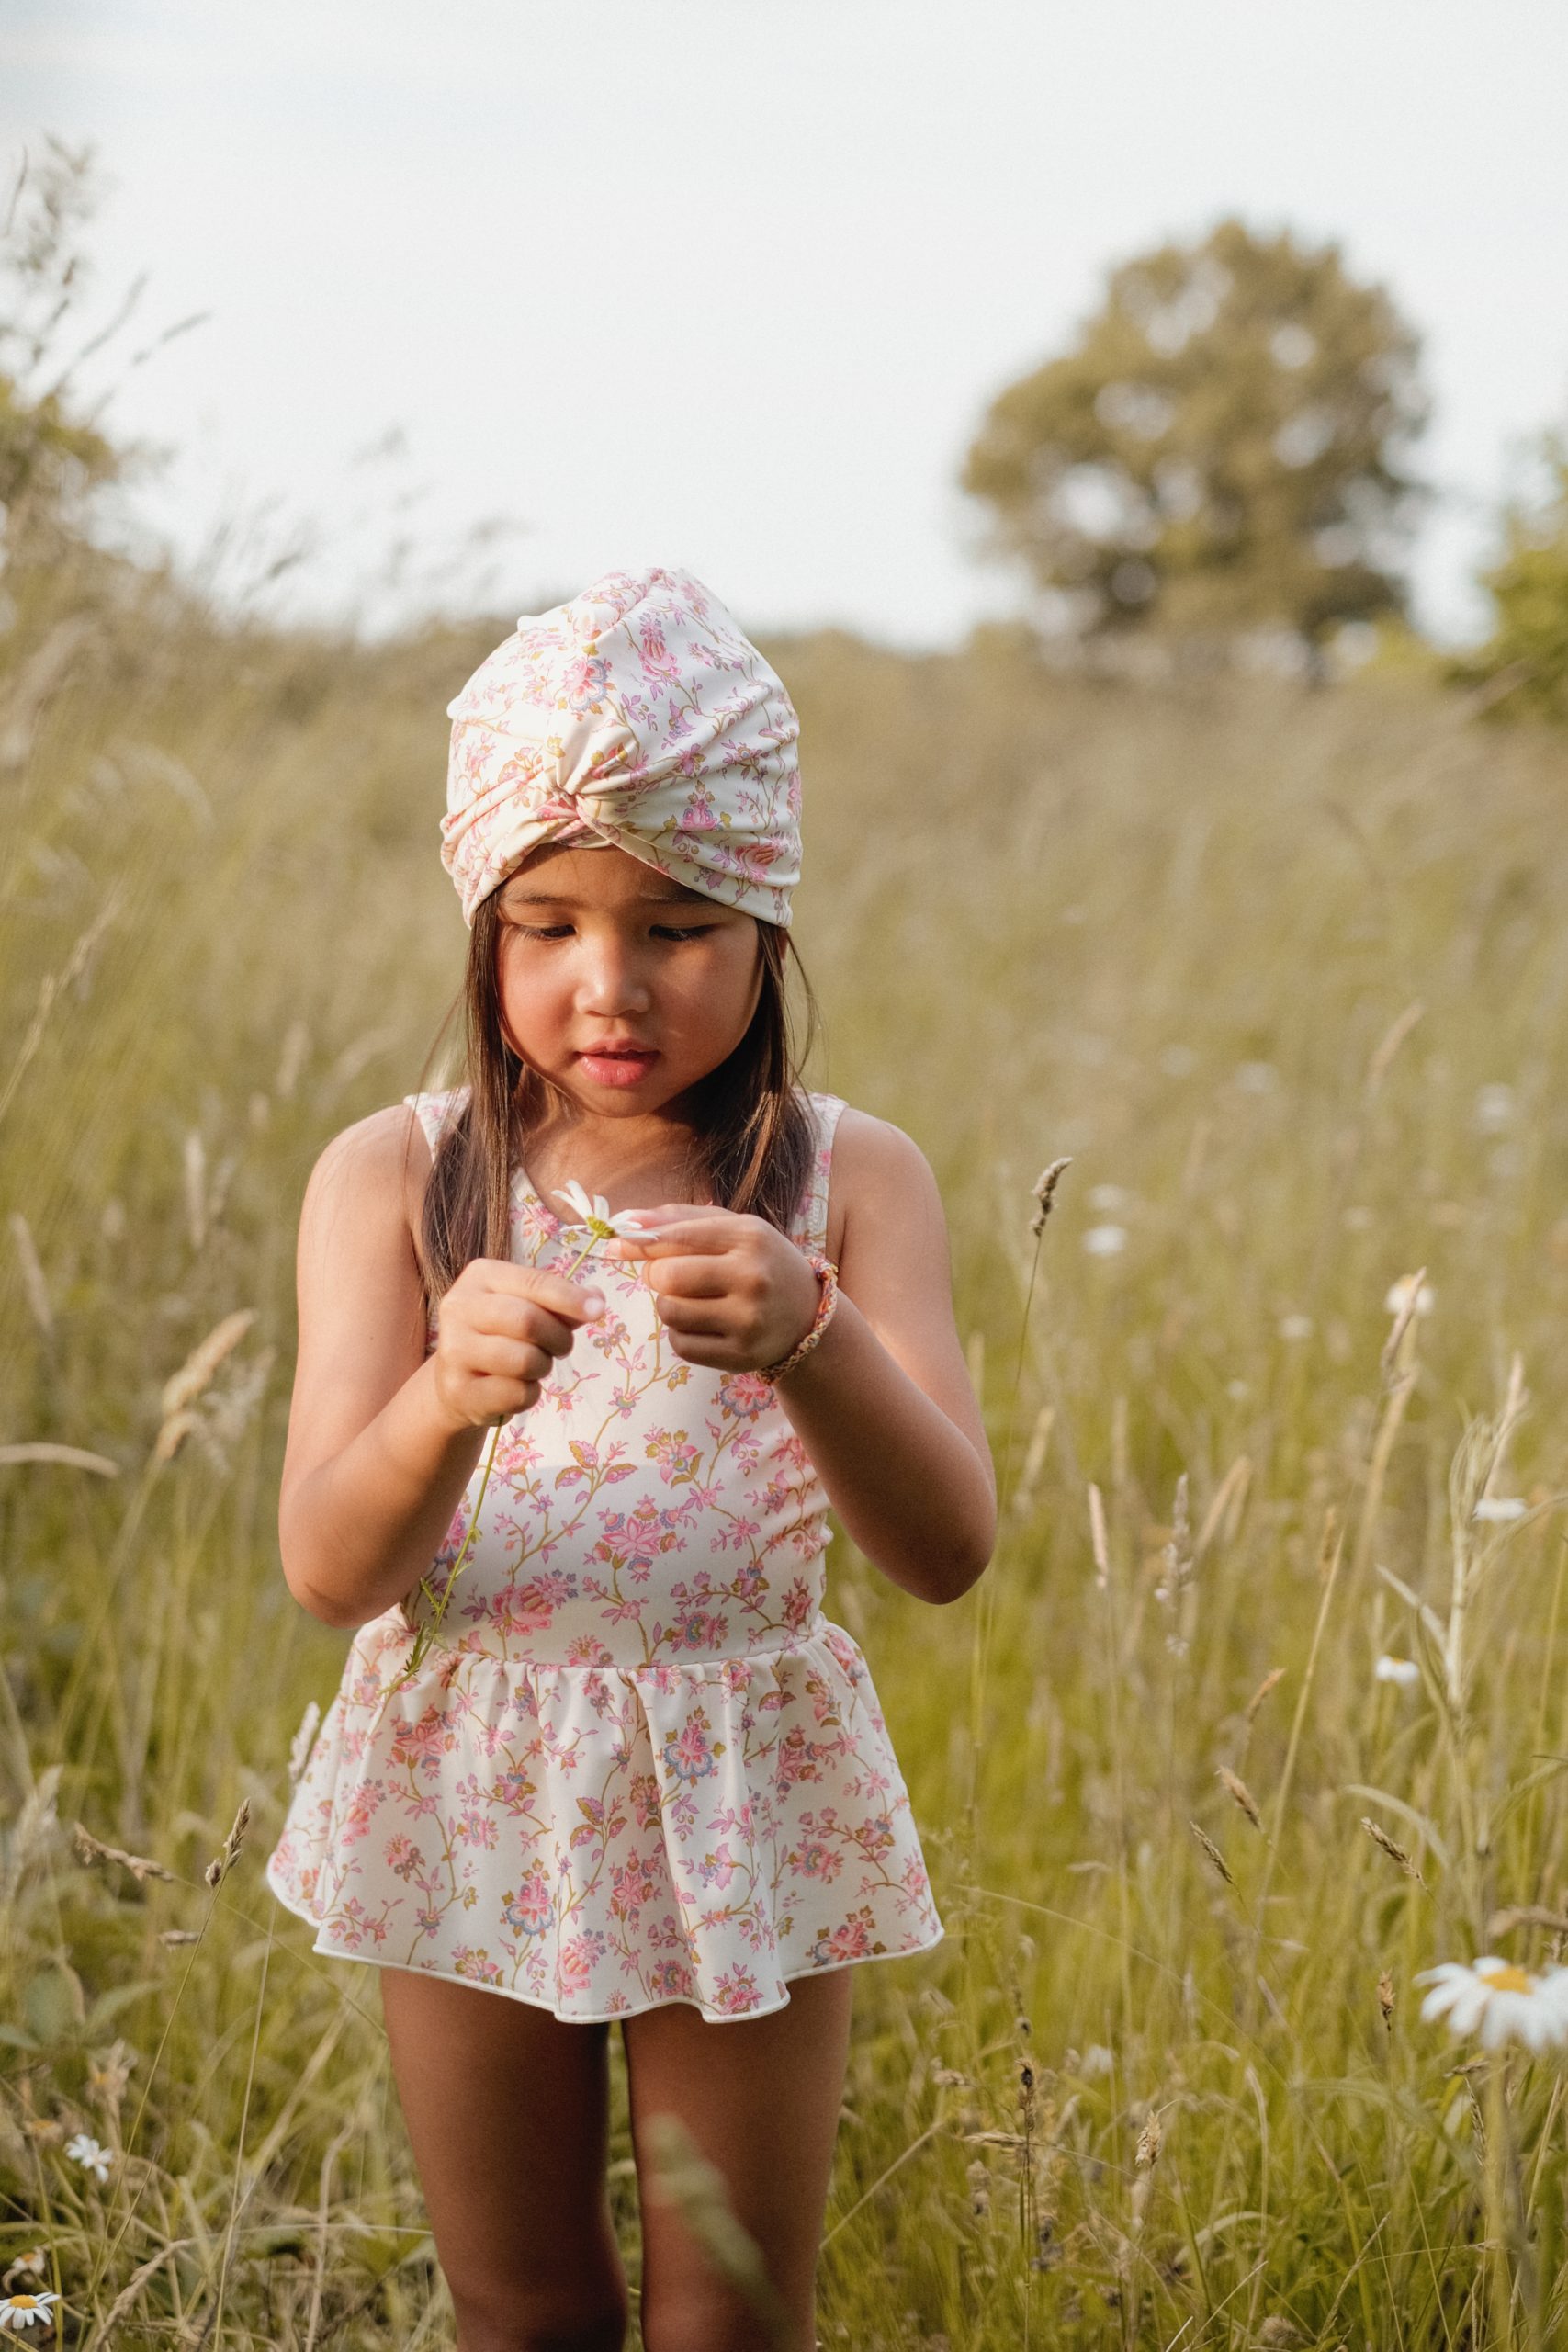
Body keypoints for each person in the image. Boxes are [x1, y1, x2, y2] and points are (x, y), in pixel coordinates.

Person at [264, 565, 996, 2352]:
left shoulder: (847, 1180)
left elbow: (945, 1544)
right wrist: (442, 1396)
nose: (612, 979)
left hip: (742, 1771)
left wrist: (814, 1336)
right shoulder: (399, 1177)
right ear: (484, 930)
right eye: (547, 923)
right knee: (519, 2303)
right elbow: (329, 1566)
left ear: (765, 922)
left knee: (728, 2312)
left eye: (676, 921)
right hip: (473, 1769)